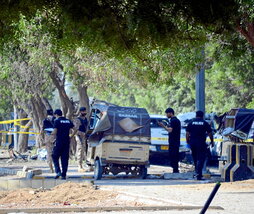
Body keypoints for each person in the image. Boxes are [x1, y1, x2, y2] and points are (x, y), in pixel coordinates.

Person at [186, 111, 214, 180]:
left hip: (192, 143)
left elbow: (187, 133)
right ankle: (198, 174)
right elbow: (210, 133)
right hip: (201, 143)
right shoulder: (204, 123)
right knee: (201, 159)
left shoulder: (191, 123)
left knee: (195, 158)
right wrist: (212, 141)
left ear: (196, 115)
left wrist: (188, 141)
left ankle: (197, 173)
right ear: (202, 116)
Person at [51, 109, 76, 180]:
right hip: (66, 142)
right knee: (64, 158)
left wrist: (51, 133)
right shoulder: (68, 121)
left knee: (54, 156)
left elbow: (55, 131)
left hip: (59, 142)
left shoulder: (57, 121)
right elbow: (75, 129)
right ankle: (64, 174)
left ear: (56, 115)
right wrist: (71, 136)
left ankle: (58, 171)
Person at [159, 107, 181, 173]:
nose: (166, 115)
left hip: (174, 141)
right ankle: (175, 169)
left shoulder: (174, 121)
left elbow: (170, 130)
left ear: (171, 113)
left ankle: (175, 170)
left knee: (174, 155)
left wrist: (163, 126)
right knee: (173, 155)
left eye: (167, 114)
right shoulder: (174, 120)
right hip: (174, 141)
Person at [74, 107, 88, 172]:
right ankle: (79, 165)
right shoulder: (77, 119)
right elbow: (75, 130)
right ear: (80, 112)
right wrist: (82, 133)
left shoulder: (85, 119)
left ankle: (83, 164)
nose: (85, 113)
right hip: (79, 136)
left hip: (84, 137)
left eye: (85, 111)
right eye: (83, 111)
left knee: (83, 151)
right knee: (80, 150)